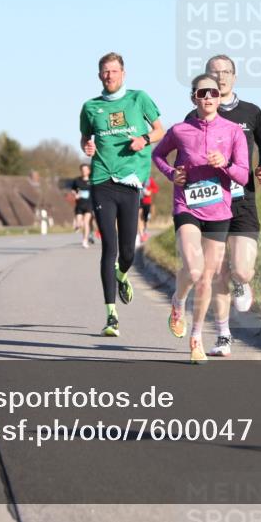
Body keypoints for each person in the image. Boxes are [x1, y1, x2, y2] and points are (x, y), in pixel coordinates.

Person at [153, 73, 249, 363]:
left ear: (220, 98)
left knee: (207, 277)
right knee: (194, 271)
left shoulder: (233, 131)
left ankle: (196, 338)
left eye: (213, 93)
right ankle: (178, 301)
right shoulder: (180, 130)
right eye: (202, 93)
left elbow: (244, 175)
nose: (208, 98)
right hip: (187, 206)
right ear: (193, 97)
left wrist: (226, 165)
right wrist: (172, 173)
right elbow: (158, 155)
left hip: (219, 211)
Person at [184, 55, 261, 357]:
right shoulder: (193, 116)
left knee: (242, 270)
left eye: (225, 72)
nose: (220, 77)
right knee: (217, 272)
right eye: (214, 73)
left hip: (242, 198)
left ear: (234, 76)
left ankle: (242, 282)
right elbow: (183, 153)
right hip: (209, 200)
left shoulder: (251, 112)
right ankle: (223, 335)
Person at [80, 52, 164, 337]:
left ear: (123, 73)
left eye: (114, 71)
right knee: (109, 247)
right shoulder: (90, 107)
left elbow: (160, 131)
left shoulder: (139, 99)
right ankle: (111, 316)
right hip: (102, 180)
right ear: (99, 75)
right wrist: (87, 146)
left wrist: (144, 139)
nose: (109, 76)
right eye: (105, 71)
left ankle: (122, 274)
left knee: (128, 252)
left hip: (130, 181)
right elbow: (85, 137)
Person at [71, 163, 95, 248]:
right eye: (82, 170)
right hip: (79, 205)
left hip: (89, 204)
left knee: (86, 222)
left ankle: (85, 240)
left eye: (85, 170)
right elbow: (73, 190)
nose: (84, 171)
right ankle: (78, 225)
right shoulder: (77, 180)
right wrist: (75, 194)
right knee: (79, 224)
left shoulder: (92, 180)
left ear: (89, 171)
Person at [139, 175, 159, 241]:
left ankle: (144, 230)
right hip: (139, 200)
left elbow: (156, 188)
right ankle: (141, 234)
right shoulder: (138, 178)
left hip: (147, 201)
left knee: (145, 218)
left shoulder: (149, 179)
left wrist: (150, 191)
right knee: (140, 216)